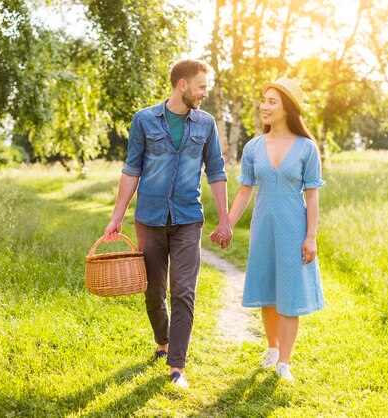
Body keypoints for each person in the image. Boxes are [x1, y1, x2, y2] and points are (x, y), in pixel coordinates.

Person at [103, 59, 232, 388]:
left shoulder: (206, 124)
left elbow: (216, 171)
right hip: (150, 218)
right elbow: (132, 168)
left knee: (184, 292)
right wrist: (117, 216)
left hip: (189, 218)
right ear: (183, 85)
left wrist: (226, 220)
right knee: (154, 291)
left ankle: (177, 366)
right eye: (201, 86)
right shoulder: (145, 120)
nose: (206, 93)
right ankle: (162, 340)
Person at [211, 76, 325, 381]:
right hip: (263, 226)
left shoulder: (306, 148)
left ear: (287, 108)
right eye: (263, 100)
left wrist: (311, 236)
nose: (265, 106)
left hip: (294, 227)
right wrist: (227, 224)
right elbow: (245, 190)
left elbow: (312, 194)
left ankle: (284, 363)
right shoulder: (253, 147)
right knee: (268, 289)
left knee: (289, 293)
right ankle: (272, 349)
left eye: (272, 101)